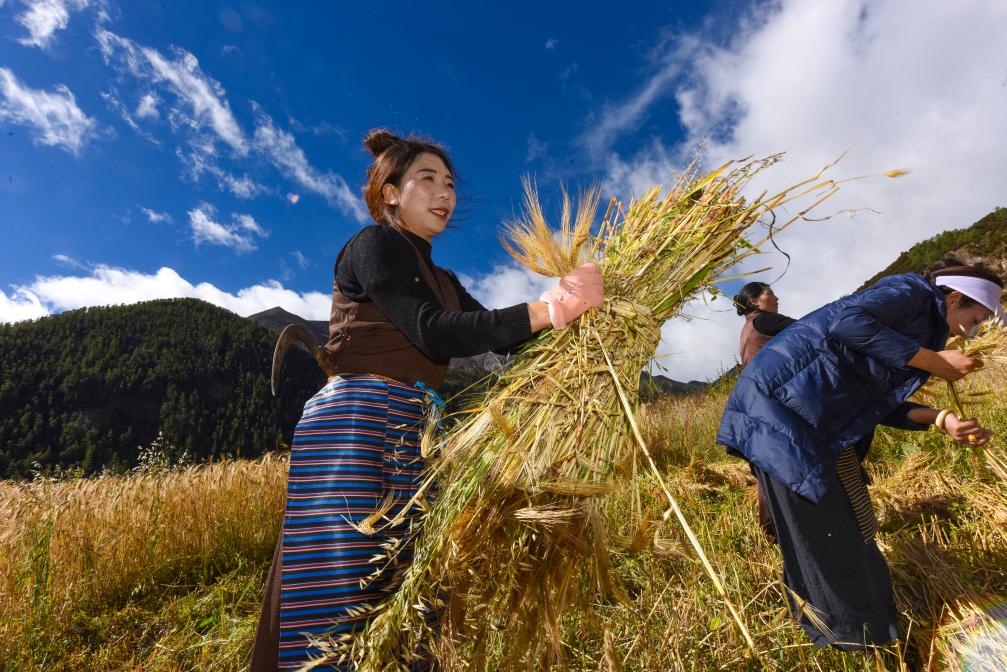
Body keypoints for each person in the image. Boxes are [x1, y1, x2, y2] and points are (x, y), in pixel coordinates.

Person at [250, 129, 604, 671]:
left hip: (414, 431)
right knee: (346, 580)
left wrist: (579, 316)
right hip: (356, 426)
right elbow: (433, 331)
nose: (445, 193)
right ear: (391, 193)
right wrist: (546, 308)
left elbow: (500, 337)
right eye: (428, 179)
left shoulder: (443, 279)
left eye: (450, 184)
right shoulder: (373, 246)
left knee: (410, 587)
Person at [717, 258, 1002, 651]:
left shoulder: (924, 330)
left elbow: (880, 400)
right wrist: (933, 360)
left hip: (820, 422)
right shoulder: (912, 293)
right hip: (784, 414)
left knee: (851, 523)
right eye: (977, 318)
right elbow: (847, 323)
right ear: (954, 298)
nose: (974, 329)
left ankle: (863, 634)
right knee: (830, 536)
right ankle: (862, 643)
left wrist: (943, 419)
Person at [733, 281, 796, 541]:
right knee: (782, 460)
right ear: (754, 301)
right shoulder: (764, 321)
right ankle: (783, 525)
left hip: (755, 402)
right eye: (770, 294)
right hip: (772, 400)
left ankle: (773, 528)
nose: (776, 298)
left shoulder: (749, 328)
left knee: (768, 463)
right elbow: (809, 330)